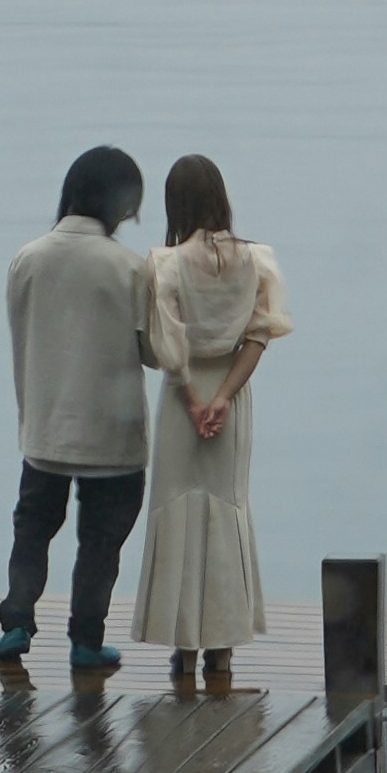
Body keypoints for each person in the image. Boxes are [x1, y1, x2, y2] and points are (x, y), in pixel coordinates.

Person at [132, 152, 291, 693]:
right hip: (234, 397)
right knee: (228, 508)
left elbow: (168, 346)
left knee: (180, 509)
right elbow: (259, 336)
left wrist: (195, 399)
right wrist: (223, 398)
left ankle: (184, 647)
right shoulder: (259, 260)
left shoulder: (165, 262)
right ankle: (222, 651)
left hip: (184, 402)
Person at [0, 145, 151, 679]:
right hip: (113, 430)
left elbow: (22, 334)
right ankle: (86, 638)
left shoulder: (28, 258)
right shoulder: (130, 267)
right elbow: (151, 351)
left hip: (46, 423)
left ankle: (17, 618)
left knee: (33, 526)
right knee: (101, 539)